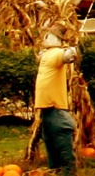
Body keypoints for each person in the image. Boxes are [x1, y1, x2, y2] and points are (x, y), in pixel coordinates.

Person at [34, 23, 80, 176]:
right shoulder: (46, 54)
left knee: (62, 144)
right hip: (47, 109)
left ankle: (68, 172)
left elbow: (69, 56)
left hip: (56, 109)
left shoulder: (56, 53)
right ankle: (55, 171)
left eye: (49, 35)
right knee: (51, 144)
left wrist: (74, 48)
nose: (45, 38)